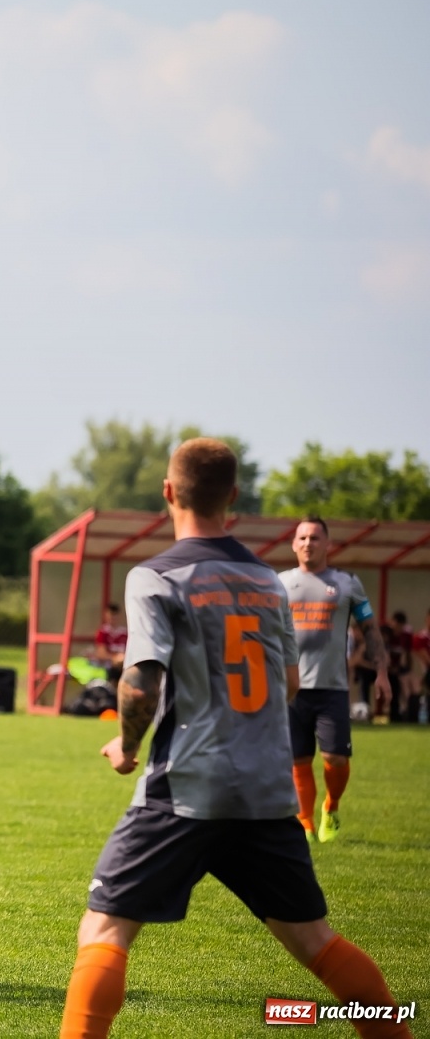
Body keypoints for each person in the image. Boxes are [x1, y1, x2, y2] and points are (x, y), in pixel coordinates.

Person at [58, 439, 411, 1039]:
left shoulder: (156, 576)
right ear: (235, 499)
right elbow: (291, 682)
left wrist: (126, 746)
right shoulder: (267, 582)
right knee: (314, 941)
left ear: (168, 492)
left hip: (186, 789)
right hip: (267, 794)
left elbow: (140, 682)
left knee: (104, 931)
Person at [279, 516, 391, 845]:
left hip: (332, 687)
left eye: (315, 538)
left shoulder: (346, 583)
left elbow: (370, 629)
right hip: (291, 688)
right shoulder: (279, 583)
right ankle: (306, 822)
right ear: (293, 544)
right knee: (298, 760)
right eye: (301, 538)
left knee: (335, 758)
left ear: (328, 544)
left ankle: (332, 805)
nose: (307, 543)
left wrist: (382, 672)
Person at [92, 604, 127, 685]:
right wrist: (115, 658)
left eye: (115, 616)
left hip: (123, 666)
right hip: (108, 667)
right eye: (110, 615)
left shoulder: (125, 633)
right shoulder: (103, 633)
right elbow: (101, 653)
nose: (112, 619)